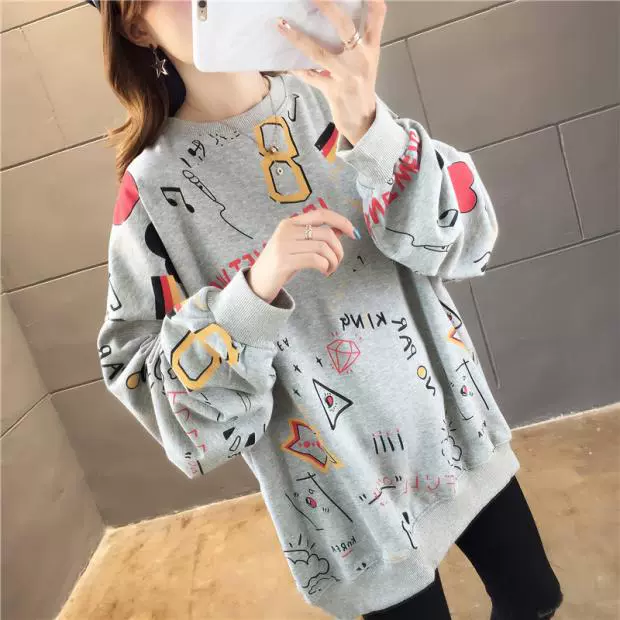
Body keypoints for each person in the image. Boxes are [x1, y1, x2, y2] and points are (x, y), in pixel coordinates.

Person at [91, 1, 564, 618]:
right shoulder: (152, 189)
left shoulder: (327, 98)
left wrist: (371, 127)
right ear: (135, 25)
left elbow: (462, 239)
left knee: (533, 601)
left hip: (453, 430)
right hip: (348, 496)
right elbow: (146, 381)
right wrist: (254, 292)